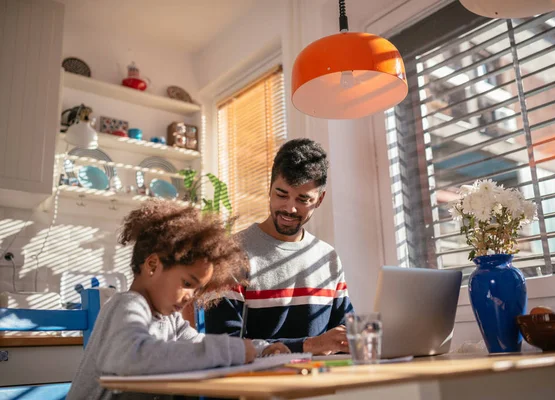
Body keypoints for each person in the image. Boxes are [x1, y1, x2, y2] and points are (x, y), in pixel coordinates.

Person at [67, 201, 288, 400]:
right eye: (188, 283)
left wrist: (260, 349)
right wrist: (233, 351)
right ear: (152, 265)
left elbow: (196, 343)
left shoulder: (170, 319)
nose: (191, 296)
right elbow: (132, 358)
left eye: (198, 289)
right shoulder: (127, 305)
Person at [205, 138, 353, 355]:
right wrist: (308, 346)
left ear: (320, 199)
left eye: (303, 199)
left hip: (321, 383)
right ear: (270, 188)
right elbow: (224, 345)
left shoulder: (327, 257)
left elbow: (343, 336)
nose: (290, 208)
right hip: (257, 386)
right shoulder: (231, 253)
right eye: (281, 195)